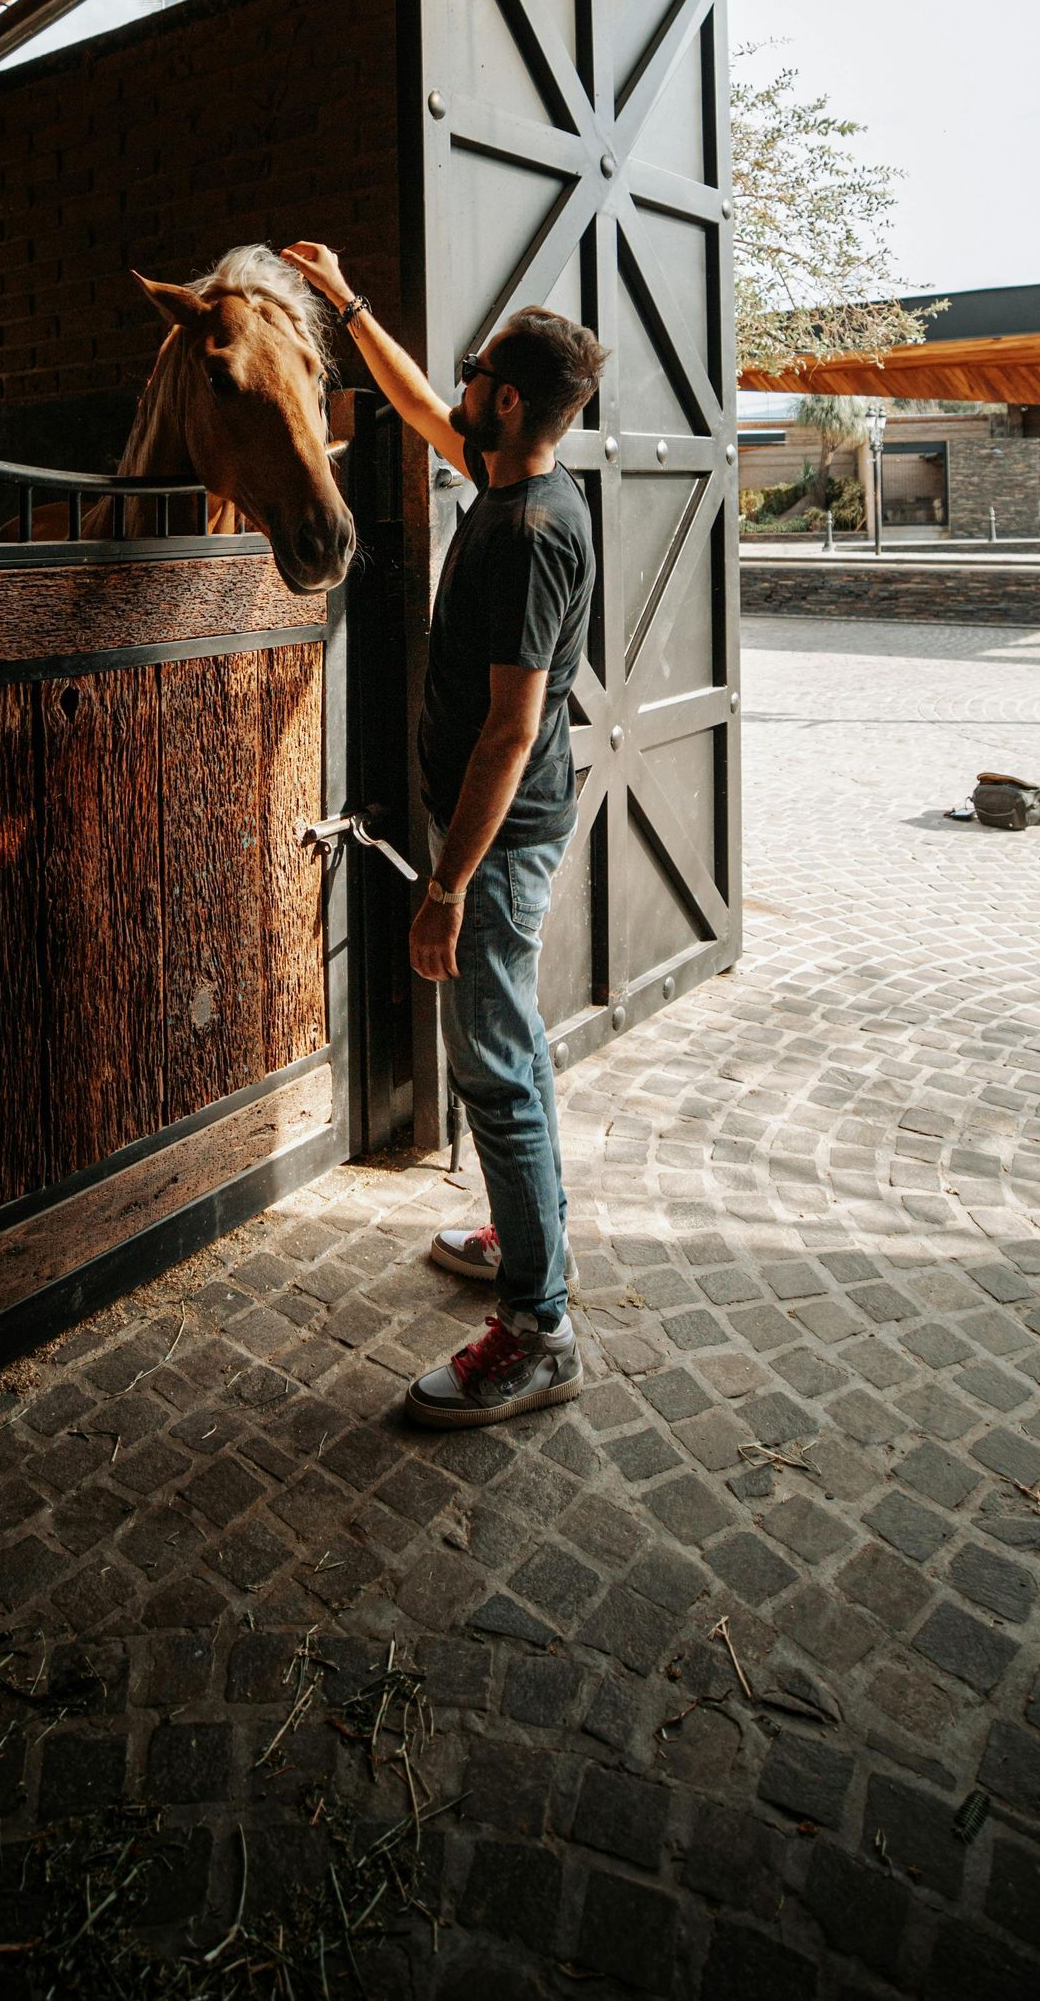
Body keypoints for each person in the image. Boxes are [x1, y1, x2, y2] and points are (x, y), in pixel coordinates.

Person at [282, 241, 605, 1428]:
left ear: (509, 397)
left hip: (499, 836)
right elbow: (418, 405)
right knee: (508, 1048)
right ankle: (527, 1239)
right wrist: (349, 301)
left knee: (498, 1072)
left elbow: (511, 734)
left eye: (477, 372)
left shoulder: (530, 534)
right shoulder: (514, 471)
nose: (458, 386)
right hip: (497, 831)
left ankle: (540, 1326)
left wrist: (447, 887)